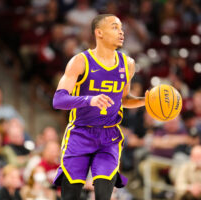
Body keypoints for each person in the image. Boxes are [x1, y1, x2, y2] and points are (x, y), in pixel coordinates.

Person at [52, 14, 147, 200]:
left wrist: (145, 100)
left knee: (104, 194)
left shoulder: (128, 65)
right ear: (99, 32)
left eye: (121, 28)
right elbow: (58, 100)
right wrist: (89, 100)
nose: (121, 31)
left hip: (109, 136)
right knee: (70, 196)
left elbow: (124, 99)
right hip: (80, 133)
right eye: (114, 27)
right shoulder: (80, 61)